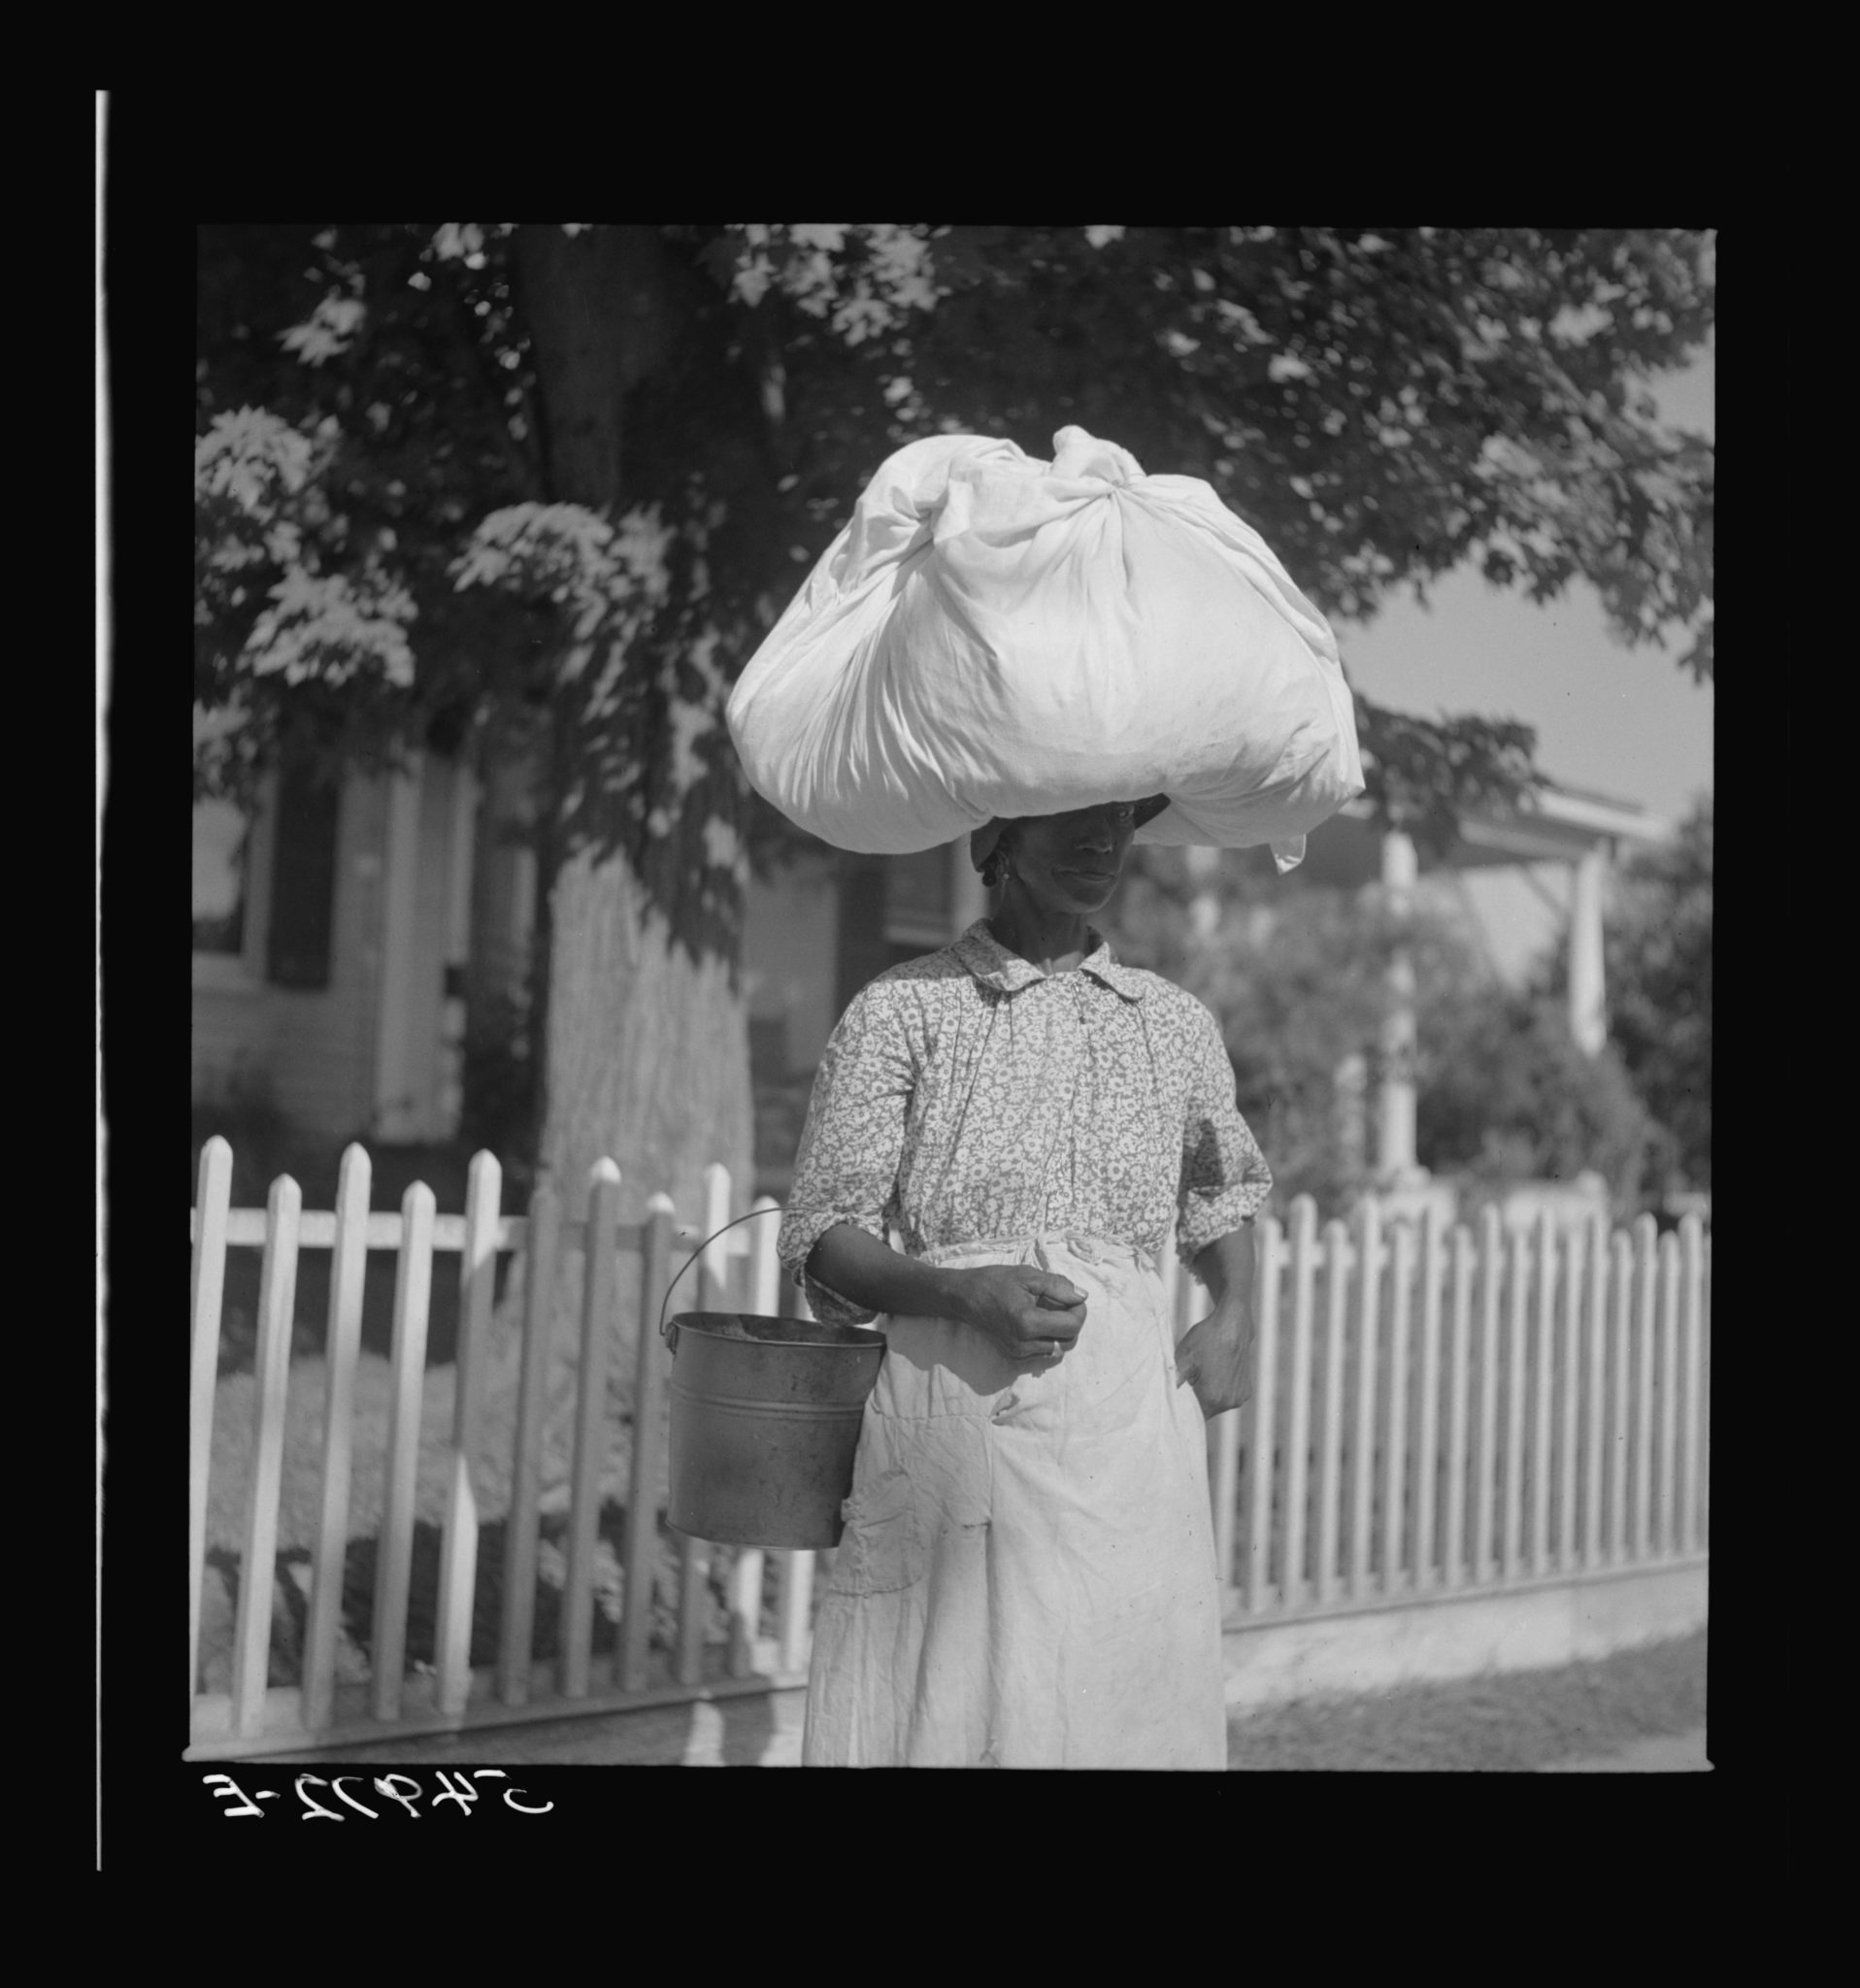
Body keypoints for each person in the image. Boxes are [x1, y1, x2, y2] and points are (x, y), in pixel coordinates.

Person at [777, 796, 1273, 1768]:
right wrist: (962, 1293)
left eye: (1120, 821)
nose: (1101, 841)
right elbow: (822, 1233)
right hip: (953, 1403)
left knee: (1114, 1704)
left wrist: (1239, 1309)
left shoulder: (1170, 1024)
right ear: (991, 839)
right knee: (945, 1704)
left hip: (1121, 1420)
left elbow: (1221, 1195)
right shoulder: (904, 1008)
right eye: (1069, 818)